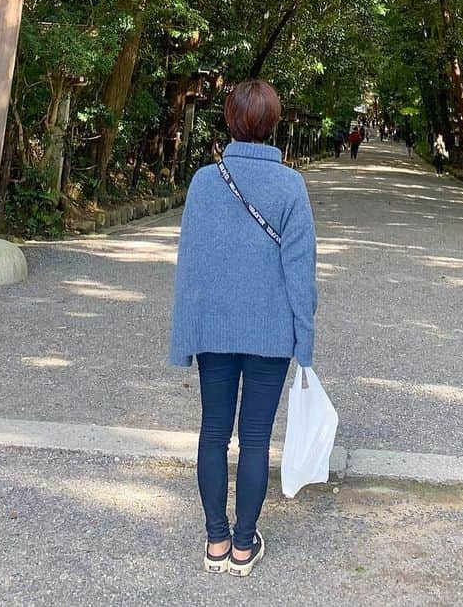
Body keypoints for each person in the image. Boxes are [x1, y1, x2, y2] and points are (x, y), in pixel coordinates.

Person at [169, 79, 318, 577]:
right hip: (271, 333)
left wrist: (184, 338)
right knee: (254, 439)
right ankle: (242, 544)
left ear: (231, 121)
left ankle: (214, 541)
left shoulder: (205, 182)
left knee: (213, 434)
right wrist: (305, 341)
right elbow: (301, 270)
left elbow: (189, 265)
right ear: (274, 122)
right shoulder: (290, 185)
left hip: (214, 331)